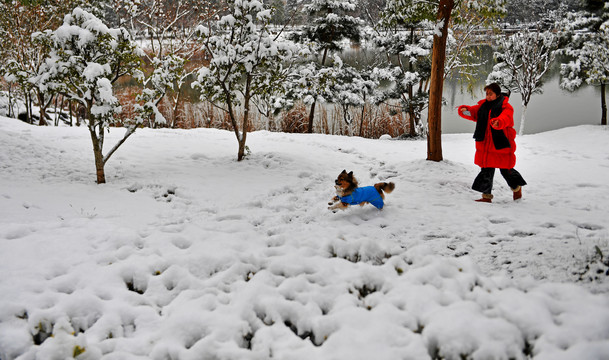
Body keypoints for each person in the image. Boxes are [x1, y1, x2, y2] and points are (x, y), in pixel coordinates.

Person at [457, 83, 526, 203]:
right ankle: (486, 197)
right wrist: (465, 110)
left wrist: (498, 122)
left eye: (491, 94)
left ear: (497, 94)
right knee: (486, 171)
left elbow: (506, 118)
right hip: (485, 144)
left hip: (500, 144)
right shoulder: (483, 106)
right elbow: (473, 113)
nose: (488, 96)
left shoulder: (506, 107)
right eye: (487, 94)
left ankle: (516, 188)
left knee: (506, 170)